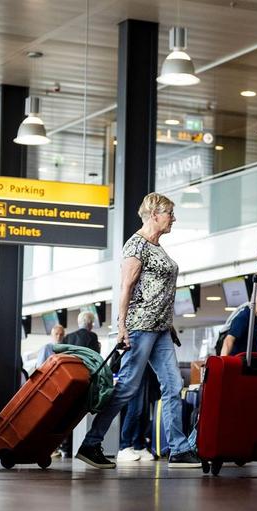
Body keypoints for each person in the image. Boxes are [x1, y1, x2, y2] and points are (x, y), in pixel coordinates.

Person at [76, 193, 200, 469]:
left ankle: (179, 449)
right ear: (154, 214)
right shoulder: (136, 245)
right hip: (140, 327)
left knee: (173, 386)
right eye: (170, 213)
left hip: (160, 330)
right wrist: (121, 327)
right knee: (128, 387)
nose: (174, 219)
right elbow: (126, 288)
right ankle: (91, 443)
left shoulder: (158, 247)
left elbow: (160, 292)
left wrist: (169, 325)